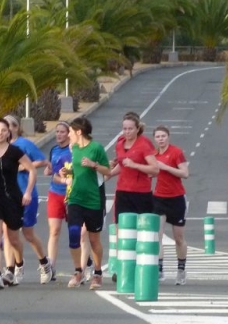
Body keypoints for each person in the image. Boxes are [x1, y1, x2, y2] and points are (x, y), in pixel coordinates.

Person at [0, 118, 36, 290]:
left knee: (13, 239)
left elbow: (32, 169)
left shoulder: (15, 151)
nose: (0, 133)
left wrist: (28, 192)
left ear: (8, 133)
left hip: (12, 198)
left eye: (4, 130)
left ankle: (19, 263)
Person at [2, 114, 52, 284]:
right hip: (7, 196)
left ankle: (44, 263)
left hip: (25, 193)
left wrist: (22, 166)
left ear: (15, 128)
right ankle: (12, 269)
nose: (4, 130)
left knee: (28, 234)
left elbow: (42, 161)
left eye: (8, 126)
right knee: (8, 233)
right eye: (1, 127)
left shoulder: (24, 144)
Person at [109, 112, 159, 281]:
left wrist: (135, 165)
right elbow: (122, 166)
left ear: (137, 129)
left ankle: (140, 264)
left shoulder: (144, 144)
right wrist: (108, 173)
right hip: (123, 191)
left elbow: (155, 169)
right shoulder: (120, 144)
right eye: (124, 129)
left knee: (140, 231)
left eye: (130, 129)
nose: (127, 132)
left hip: (141, 193)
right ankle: (120, 266)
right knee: (120, 229)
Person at [63, 117, 111, 290]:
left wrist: (94, 165)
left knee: (93, 239)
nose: (68, 135)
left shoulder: (96, 148)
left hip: (94, 199)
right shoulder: (74, 148)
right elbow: (77, 169)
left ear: (78, 131)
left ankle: (97, 273)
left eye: (70, 131)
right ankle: (78, 271)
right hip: (75, 197)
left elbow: (108, 171)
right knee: (74, 233)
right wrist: (68, 170)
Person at [152, 125, 189, 285]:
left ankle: (181, 270)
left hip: (176, 198)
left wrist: (165, 167)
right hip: (159, 198)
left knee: (178, 238)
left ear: (168, 137)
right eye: (158, 137)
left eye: (163, 136)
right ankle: (160, 270)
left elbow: (185, 174)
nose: (160, 139)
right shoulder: (153, 155)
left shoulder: (176, 152)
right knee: (157, 235)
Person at [45, 122, 72, 281]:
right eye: (57, 132)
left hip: (72, 194)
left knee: (76, 232)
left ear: (69, 134)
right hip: (55, 192)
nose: (59, 135)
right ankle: (51, 267)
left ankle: (84, 264)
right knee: (54, 230)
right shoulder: (54, 150)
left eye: (62, 132)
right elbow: (51, 170)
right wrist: (50, 170)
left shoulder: (73, 150)